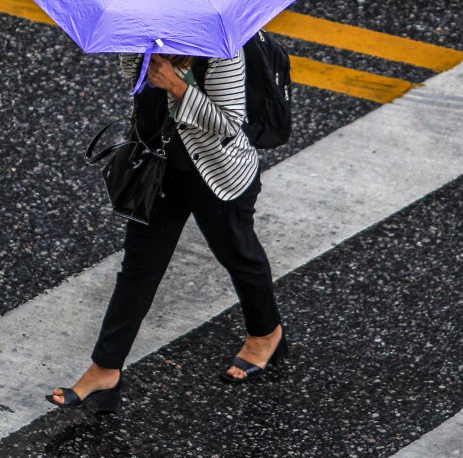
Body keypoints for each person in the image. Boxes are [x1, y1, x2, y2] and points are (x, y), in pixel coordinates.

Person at [47, 49, 287, 411]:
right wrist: (143, 56)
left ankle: (266, 334)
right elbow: (136, 87)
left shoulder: (223, 48)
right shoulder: (145, 33)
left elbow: (229, 121)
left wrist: (177, 85)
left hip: (216, 176)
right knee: (138, 270)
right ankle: (106, 368)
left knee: (238, 255)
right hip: (159, 171)